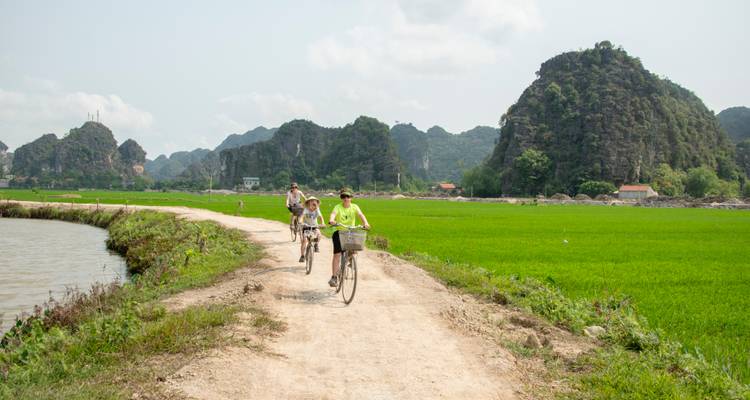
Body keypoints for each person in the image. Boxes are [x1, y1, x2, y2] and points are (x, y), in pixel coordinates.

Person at [327, 188, 370, 287]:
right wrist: (332, 220)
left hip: (351, 232)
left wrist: (366, 223)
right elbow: (333, 214)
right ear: (341, 198)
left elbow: (361, 215)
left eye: (348, 196)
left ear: (351, 198)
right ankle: (334, 277)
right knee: (337, 254)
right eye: (343, 197)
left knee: (355, 249)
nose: (346, 198)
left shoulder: (354, 207)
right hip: (339, 232)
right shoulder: (338, 207)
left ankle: (349, 260)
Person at [299, 196, 324, 262]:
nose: (312, 203)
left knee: (319, 235)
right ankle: (302, 256)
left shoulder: (317, 209)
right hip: (306, 226)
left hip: (314, 226)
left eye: (314, 202)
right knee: (304, 241)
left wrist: (322, 223)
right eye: (311, 201)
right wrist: (301, 222)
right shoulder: (306, 209)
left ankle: (316, 244)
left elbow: (320, 217)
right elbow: (302, 216)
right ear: (308, 203)